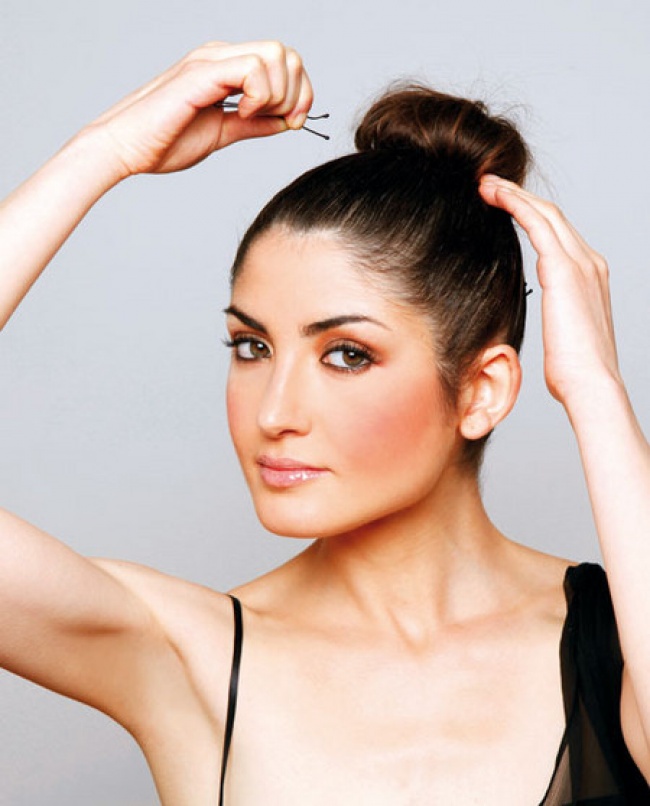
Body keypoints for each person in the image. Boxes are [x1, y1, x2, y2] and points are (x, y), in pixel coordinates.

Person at [0, 40, 649, 805]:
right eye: (251, 347)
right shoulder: (181, 653)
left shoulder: (617, 645)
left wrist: (594, 387)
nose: (273, 413)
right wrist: (105, 150)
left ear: (482, 390)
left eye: (346, 355)